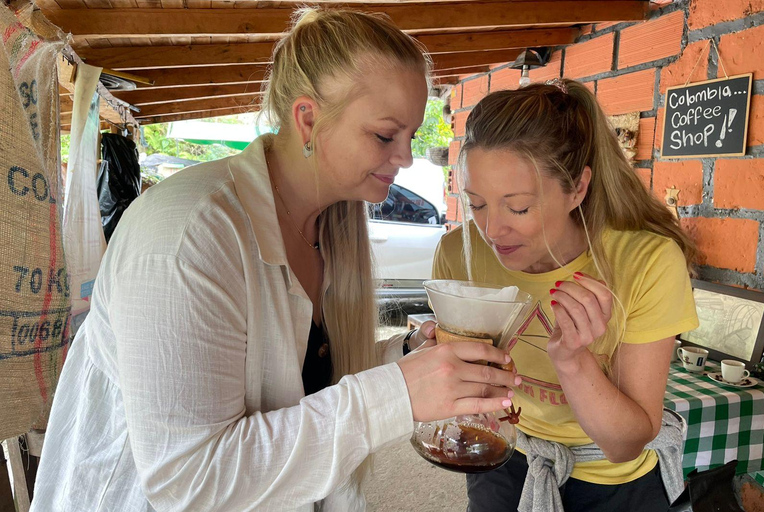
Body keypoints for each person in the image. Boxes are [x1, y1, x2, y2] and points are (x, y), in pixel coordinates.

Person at [31, 9, 521, 512]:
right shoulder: (185, 236)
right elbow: (190, 479)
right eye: (384, 135)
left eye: (410, 136)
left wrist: (410, 354)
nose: (406, 158)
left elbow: (299, 380)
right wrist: (397, 395)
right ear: (308, 118)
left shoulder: (331, 226)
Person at [432, 79, 700, 512]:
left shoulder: (646, 262)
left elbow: (626, 443)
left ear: (577, 188)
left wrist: (575, 362)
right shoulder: (457, 254)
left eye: (517, 207)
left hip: (612, 480)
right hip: (506, 456)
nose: (491, 230)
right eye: (477, 203)